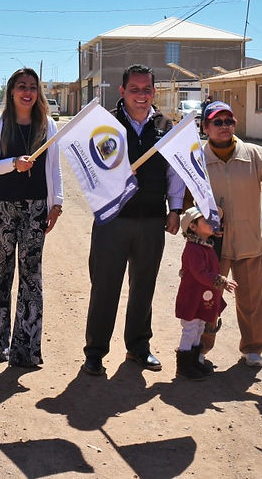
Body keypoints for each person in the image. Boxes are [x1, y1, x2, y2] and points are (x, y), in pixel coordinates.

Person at [82, 64, 184, 376]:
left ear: (154, 92)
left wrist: (175, 209)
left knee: (144, 287)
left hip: (151, 219)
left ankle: (139, 346)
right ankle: (95, 352)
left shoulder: (166, 126)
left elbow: (175, 172)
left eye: (147, 89)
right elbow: (90, 170)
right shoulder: (105, 124)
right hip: (112, 220)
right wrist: (116, 175)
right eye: (134, 89)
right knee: (105, 287)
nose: (141, 95)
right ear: (122, 91)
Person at [191, 101, 262, 368]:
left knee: (251, 298)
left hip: (249, 239)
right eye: (217, 122)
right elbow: (188, 200)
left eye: (229, 121)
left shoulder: (253, 154)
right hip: (212, 244)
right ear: (205, 127)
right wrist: (194, 226)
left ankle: (253, 348)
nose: (224, 126)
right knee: (208, 298)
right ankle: (200, 347)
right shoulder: (197, 159)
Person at [0, 68, 64, 367]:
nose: (27, 92)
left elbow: (54, 167)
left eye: (32, 87)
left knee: (32, 277)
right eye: (21, 86)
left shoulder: (48, 125)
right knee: (2, 274)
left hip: (36, 207)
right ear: (11, 91)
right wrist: (14, 163)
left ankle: (26, 349)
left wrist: (57, 204)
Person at [175, 207, 237, 380]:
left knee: (200, 327)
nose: (212, 222)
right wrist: (221, 281)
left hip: (201, 297)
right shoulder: (193, 249)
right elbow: (200, 273)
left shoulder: (205, 246)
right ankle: (184, 366)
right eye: (206, 220)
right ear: (193, 226)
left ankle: (194, 361)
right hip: (192, 297)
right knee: (190, 329)